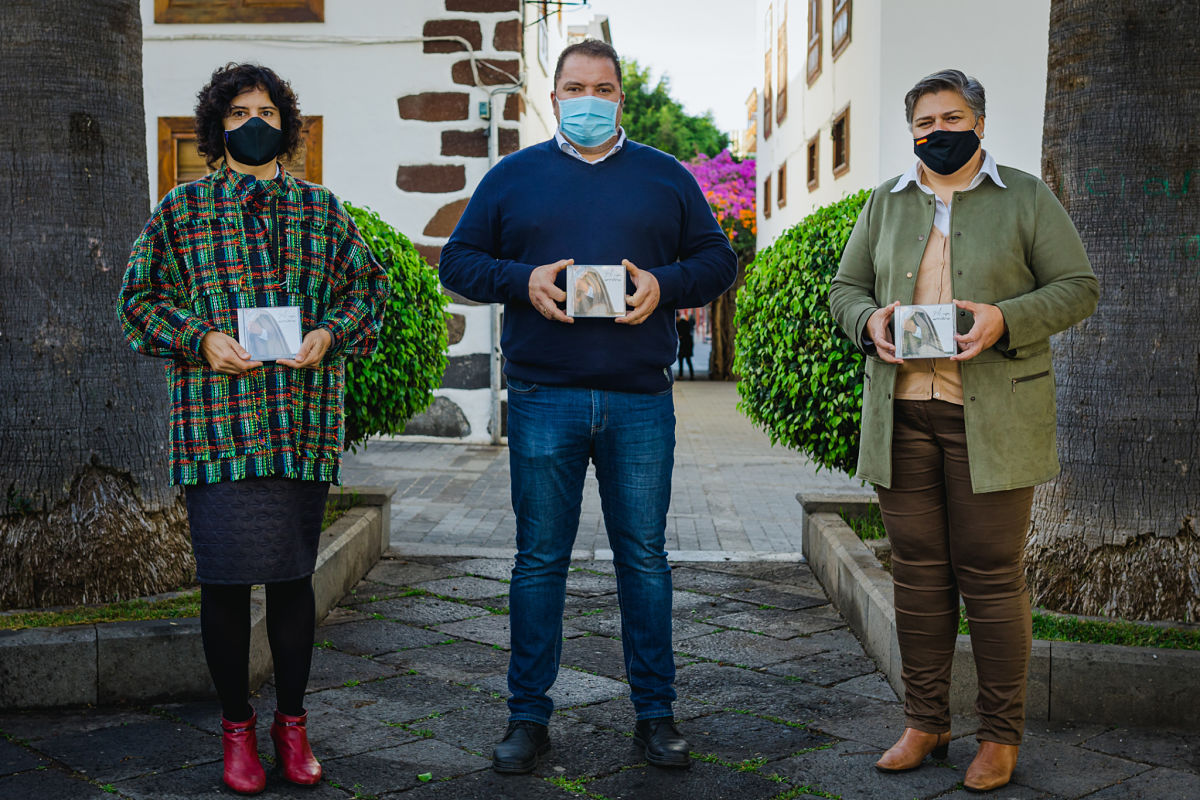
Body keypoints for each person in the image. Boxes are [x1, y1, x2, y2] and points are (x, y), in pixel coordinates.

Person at [439, 40, 736, 774]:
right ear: (554, 97)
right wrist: (521, 280)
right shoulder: (512, 177)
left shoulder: (666, 177)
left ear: (622, 99)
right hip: (544, 399)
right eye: (575, 87)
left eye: (604, 88)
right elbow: (456, 263)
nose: (589, 99)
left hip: (640, 400)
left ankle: (656, 715)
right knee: (539, 562)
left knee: (645, 560)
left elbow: (717, 262)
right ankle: (527, 718)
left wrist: (663, 286)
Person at [117, 63, 389, 795]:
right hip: (218, 429)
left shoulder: (322, 211)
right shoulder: (182, 211)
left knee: (293, 580)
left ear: (287, 124)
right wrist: (200, 338)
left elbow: (370, 290)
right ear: (217, 126)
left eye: (265, 109)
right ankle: (237, 728)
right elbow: (136, 301)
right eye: (238, 112)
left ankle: (292, 725)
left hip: (299, 425)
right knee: (227, 583)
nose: (253, 121)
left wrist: (331, 334)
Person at [829, 69, 1098, 793]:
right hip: (903, 413)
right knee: (917, 577)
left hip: (993, 416)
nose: (937, 131)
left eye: (951, 117)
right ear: (910, 129)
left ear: (979, 122)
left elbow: (1078, 287)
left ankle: (1000, 735)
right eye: (924, 121)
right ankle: (925, 722)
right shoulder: (885, 203)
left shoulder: (1026, 197)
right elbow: (845, 290)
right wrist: (870, 321)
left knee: (990, 576)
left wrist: (1005, 319)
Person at [675, 312, 695, 379]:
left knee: (688, 360)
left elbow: (687, 332)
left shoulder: (685, 323)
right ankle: (682, 375)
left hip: (687, 343)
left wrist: (681, 336)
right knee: (681, 358)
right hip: (683, 344)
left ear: (678, 317)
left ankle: (691, 375)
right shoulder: (676, 324)